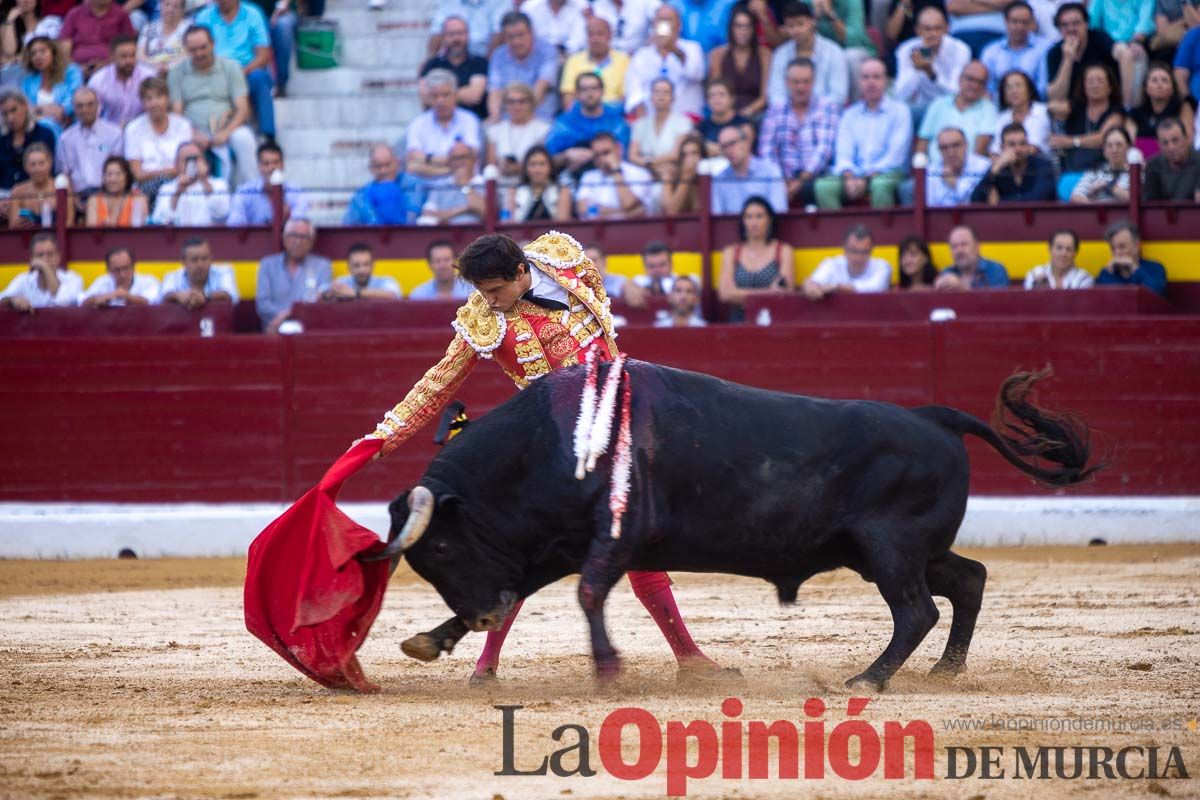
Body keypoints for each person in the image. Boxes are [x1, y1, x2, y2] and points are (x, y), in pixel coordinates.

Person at [285, 230, 726, 687]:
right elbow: (437, 384)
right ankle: (487, 665)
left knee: (636, 544)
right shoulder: (483, 321)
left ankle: (687, 657)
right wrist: (381, 440)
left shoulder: (563, 259)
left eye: (494, 291)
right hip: (555, 450)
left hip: (621, 432)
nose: (489, 302)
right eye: (480, 293)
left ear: (521, 272)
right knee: (527, 552)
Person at [815, 57, 911, 209]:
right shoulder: (849, 114)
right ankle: (838, 233)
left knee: (880, 185)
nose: (871, 82)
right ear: (859, 82)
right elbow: (843, 154)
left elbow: (895, 157)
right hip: (854, 173)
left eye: (876, 77)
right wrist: (849, 176)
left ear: (886, 81)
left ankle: (882, 232)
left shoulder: (900, 111)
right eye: (865, 77)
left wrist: (866, 179)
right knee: (824, 186)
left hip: (888, 172)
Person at [168, 25, 257, 188]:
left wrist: (225, 133)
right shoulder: (176, 73)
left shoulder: (231, 67)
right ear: (186, 49)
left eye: (203, 47)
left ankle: (250, 191)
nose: (199, 54)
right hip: (192, 131)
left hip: (228, 128)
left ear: (213, 44)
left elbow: (243, 108)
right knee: (179, 142)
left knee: (244, 138)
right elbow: (177, 114)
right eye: (193, 50)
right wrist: (193, 133)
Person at [757, 57, 838, 208]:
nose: (801, 87)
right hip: (782, 179)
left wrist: (800, 181)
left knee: (818, 187)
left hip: (817, 176)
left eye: (806, 81)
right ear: (787, 82)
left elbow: (824, 149)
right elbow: (767, 151)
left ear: (813, 82)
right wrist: (781, 180)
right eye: (796, 82)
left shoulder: (827, 107)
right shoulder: (775, 110)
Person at [193, 0, 276, 143]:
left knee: (260, 78)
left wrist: (240, 73)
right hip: (214, 72)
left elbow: (263, 55)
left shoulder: (253, 14)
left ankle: (268, 137)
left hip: (247, 71)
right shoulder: (204, 17)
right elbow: (196, 51)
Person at [1049, 62, 1125, 200]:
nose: (1094, 85)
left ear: (1110, 87)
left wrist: (1071, 141)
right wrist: (1068, 59)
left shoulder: (1116, 112)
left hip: (1102, 173)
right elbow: (1052, 105)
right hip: (1072, 171)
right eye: (1090, 81)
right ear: (1083, 86)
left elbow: (1103, 138)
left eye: (1100, 81)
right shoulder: (1075, 108)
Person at [718, 196, 794, 319]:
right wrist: (768, 293)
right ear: (743, 221)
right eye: (749, 217)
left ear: (769, 220)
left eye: (759, 216)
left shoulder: (783, 250)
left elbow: (784, 294)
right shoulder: (731, 252)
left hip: (773, 321)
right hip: (739, 323)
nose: (754, 222)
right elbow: (725, 294)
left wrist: (740, 295)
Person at [624, 4, 706, 117]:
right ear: (653, 25)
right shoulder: (642, 55)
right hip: (651, 120)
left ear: (679, 25)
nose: (664, 25)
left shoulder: (693, 49)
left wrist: (674, 49)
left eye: (668, 20)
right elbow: (634, 91)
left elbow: (695, 74)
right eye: (660, 20)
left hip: (686, 118)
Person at [404, 69, 483, 184]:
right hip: (428, 190)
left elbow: (471, 156)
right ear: (428, 98)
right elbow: (413, 164)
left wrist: (428, 160)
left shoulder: (469, 120)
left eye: (445, 95)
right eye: (435, 96)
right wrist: (453, 166)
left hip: (465, 185)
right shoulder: (418, 123)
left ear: (455, 95)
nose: (440, 101)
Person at [767, 1, 850, 108]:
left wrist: (809, 111)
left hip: (825, 115)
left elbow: (838, 96)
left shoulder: (833, 52)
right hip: (788, 115)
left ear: (812, 22)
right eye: (790, 26)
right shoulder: (780, 54)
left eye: (800, 24)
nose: (796, 30)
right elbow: (775, 94)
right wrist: (794, 112)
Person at [255, 217, 332, 333]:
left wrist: (288, 314)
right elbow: (262, 305)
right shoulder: (267, 265)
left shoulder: (322, 266)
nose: (298, 242)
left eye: (304, 237)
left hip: (308, 331)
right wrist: (282, 317)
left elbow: (320, 304)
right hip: (274, 331)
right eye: (293, 236)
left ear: (312, 241)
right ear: (284, 239)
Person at [893, 6, 972, 117]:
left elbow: (957, 94)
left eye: (937, 28)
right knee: (900, 112)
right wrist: (916, 70)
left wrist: (931, 73)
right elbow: (900, 95)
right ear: (917, 30)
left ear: (947, 28)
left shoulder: (960, 50)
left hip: (949, 108)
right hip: (918, 108)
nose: (933, 34)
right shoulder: (906, 49)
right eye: (927, 29)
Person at [124, 76, 192, 204]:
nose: (154, 103)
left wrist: (172, 175)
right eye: (148, 98)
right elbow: (137, 174)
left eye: (159, 97)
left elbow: (187, 166)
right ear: (142, 103)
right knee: (164, 188)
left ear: (167, 99)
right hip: (146, 186)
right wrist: (164, 173)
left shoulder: (183, 125)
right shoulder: (133, 129)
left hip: (178, 183)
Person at [544, 72, 630, 172]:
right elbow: (547, 161)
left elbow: (625, 157)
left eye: (594, 88)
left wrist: (594, 156)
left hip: (611, 177)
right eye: (584, 89)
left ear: (602, 91)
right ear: (576, 94)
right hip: (574, 180)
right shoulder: (564, 124)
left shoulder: (617, 121)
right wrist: (566, 155)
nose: (590, 93)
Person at [916, 60, 997, 162]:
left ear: (985, 87)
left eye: (980, 82)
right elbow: (922, 143)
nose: (975, 85)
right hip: (933, 171)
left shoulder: (989, 109)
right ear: (960, 79)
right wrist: (920, 173)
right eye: (970, 79)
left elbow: (980, 151)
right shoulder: (938, 104)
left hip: (969, 173)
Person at [487, 11, 559, 122]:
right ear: (504, 38)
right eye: (510, 37)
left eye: (521, 35)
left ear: (531, 33)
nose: (516, 41)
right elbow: (495, 92)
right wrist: (495, 117)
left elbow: (541, 88)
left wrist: (520, 120)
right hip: (507, 119)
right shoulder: (499, 55)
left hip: (539, 118)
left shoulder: (547, 51)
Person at [1045, 3, 1120, 105]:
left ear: (1086, 24)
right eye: (1065, 25)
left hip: (1105, 103)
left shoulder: (1100, 39)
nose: (1071, 29)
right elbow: (1056, 97)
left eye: (1076, 23)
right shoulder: (1054, 52)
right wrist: (1068, 59)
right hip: (1072, 109)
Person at [55, 87, 123, 197]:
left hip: (108, 194)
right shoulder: (65, 138)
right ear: (74, 108)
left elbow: (118, 170)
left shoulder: (114, 134)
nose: (85, 110)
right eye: (79, 106)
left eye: (90, 104)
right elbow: (64, 175)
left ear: (98, 105)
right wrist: (74, 201)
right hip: (77, 196)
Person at [707, 4, 770, 118]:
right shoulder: (717, 55)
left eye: (747, 26)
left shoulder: (764, 55)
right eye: (738, 26)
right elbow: (715, 91)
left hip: (755, 113)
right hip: (725, 113)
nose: (743, 31)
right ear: (731, 28)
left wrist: (748, 111)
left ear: (753, 29)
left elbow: (764, 96)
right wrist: (730, 115)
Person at [419, 16, 489, 119]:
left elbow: (474, 95)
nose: (456, 39)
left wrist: (439, 95)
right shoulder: (432, 65)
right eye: (451, 34)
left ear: (468, 35)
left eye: (460, 33)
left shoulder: (479, 63)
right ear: (443, 38)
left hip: (474, 123)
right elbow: (425, 96)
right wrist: (462, 94)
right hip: (437, 124)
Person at [574, 131, 655, 219]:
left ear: (619, 149)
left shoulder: (640, 174)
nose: (601, 159)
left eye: (606, 153)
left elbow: (630, 205)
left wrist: (616, 171)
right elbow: (583, 210)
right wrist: (623, 213)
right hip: (596, 230)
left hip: (631, 230)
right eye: (597, 155)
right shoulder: (588, 177)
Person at [1088, 0, 1153, 108]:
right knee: (1126, 53)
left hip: (1135, 40)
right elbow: (1092, 22)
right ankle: (1126, 107)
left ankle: (1131, 107)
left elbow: (1145, 21)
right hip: (1106, 42)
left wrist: (1136, 41)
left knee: (1136, 55)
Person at [971, 122, 1056, 203]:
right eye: (1012, 145)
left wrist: (998, 203)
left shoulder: (1044, 165)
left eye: (1023, 144)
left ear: (1028, 145)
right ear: (1002, 148)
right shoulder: (998, 169)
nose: (1018, 149)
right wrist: (994, 170)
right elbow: (975, 200)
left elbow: (1038, 198)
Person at [149, 141, 231, 225]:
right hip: (178, 236)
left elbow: (222, 215)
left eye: (196, 159)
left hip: (207, 237)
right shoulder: (167, 188)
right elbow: (159, 220)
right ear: (176, 165)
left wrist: (205, 182)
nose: (192, 163)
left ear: (205, 162)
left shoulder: (219, 185)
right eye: (187, 159)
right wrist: (178, 193)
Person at [227, 141, 308, 226]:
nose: (271, 168)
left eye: (276, 163)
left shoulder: (295, 192)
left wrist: (288, 216)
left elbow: (299, 225)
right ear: (259, 167)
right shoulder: (244, 191)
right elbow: (234, 224)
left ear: (283, 165)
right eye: (266, 164)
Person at [802, 223, 891, 299]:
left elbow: (876, 288)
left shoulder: (882, 266)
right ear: (844, 248)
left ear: (872, 250)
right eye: (853, 251)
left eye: (865, 252)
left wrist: (837, 287)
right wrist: (810, 286)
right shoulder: (831, 264)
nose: (858, 257)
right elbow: (814, 283)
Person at [485, 82, 551, 181]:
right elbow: (491, 167)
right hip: (501, 183)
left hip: (530, 184)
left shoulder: (544, 130)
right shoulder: (495, 130)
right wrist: (503, 166)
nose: (516, 106)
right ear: (505, 105)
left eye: (522, 101)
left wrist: (519, 167)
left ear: (531, 103)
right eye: (511, 102)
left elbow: (545, 164)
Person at [979, 1, 1048, 96]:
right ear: (1006, 22)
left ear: (1032, 23)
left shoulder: (1044, 48)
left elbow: (1043, 86)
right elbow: (987, 87)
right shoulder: (991, 51)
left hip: (1034, 105)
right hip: (999, 106)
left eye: (1025, 22)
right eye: (1014, 22)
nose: (1019, 27)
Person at [0, 232, 83, 310]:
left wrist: (45, 268)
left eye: (50, 254)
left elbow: (63, 301)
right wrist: (12, 299)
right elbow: (2, 299)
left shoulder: (73, 279)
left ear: (58, 257)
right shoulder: (23, 280)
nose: (45, 259)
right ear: (32, 259)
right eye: (40, 255)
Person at [559, 15, 629, 108]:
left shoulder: (624, 60)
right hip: (581, 116)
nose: (595, 39)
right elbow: (568, 97)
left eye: (600, 34)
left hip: (613, 117)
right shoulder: (573, 61)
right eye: (591, 34)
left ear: (610, 35)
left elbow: (624, 98)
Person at [628, 77, 694, 175]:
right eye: (657, 92)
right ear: (651, 97)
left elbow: (674, 154)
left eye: (666, 92)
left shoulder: (683, 122)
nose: (661, 96)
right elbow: (632, 155)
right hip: (643, 170)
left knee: (667, 171)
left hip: (672, 171)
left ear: (673, 97)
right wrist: (648, 164)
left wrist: (652, 163)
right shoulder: (640, 124)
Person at [20, 35, 83, 136]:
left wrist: (62, 110)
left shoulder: (71, 71)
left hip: (68, 126)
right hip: (37, 127)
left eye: (43, 51)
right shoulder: (28, 81)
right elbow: (25, 108)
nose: (38, 56)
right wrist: (45, 110)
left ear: (53, 53)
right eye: (33, 54)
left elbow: (75, 97)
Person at [1129, 61, 1195, 155]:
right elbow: (1129, 142)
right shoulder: (1136, 113)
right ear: (1146, 88)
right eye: (1154, 80)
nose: (1159, 85)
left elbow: (1187, 139)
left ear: (1172, 88)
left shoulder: (1183, 106)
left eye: (1164, 80)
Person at [87, 35, 155, 127]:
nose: (129, 61)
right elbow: (93, 116)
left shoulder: (149, 76)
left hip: (142, 131)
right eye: (123, 56)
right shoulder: (98, 81)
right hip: (109, 132)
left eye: (132, 55)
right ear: (112, 57)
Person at [58, 0, 135, 76]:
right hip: (77, 70)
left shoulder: (121, 15)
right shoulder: (74, 14)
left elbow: (129, 48)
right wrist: (77, 68)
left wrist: (105, 65)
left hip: (112, 69)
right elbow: (64, 49)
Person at [159, 237, 239, 308]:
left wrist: (205, 296)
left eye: (204, 259)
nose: (200, 265)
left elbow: (230, 294)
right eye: (194, 260)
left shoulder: (224, 272)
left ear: (211, 258)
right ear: (183, 262)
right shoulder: (172, 276)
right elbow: (163, 296)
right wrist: (179, 296)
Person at [0, 90, 56, 191]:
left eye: (13, 110)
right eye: (5, 114)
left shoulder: (44, 134)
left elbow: (51, 171)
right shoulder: (1, 140)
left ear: (25, 106)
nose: (10, 118)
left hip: (36, 195)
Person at [416, 142, 485, 225]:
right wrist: (465, 209)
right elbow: (427, 214)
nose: (460, 162)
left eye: (463, 157)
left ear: (474, 159)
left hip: (476, 233)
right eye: (455, 158)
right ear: (449, 162)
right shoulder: (440, 185)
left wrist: (465, 186)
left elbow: (486, 212)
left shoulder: (484, 183)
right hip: (445, 233)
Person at [1094, 220, 1167, 295]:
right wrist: (1110, 274)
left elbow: (1157, 294)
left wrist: (1134, 268)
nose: (1117, 252)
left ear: (1137, 246)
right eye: (1113, 248)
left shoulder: (1155, 268)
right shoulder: (1106, 273)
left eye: (1122, 247)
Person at [343, 143, 409, 225]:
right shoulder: (360, 198)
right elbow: (348, 229)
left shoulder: (413, 186)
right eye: (378, 166)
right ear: (370, 168)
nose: (383, 171)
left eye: (387, 165)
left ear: (397, 163)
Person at [922, 126, 990, 205]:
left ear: (966, 145)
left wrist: (956, 184)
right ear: (939, 150)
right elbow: (929, 208)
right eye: (944, 147)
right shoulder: (930, 172)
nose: (951, 153)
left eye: (956, 145)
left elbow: (979, 203)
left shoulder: (983, 167)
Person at [990, 68, 1051, 154]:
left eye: (1018, 86)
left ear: (1029, 90)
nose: (1013, 91)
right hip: (1007, 164)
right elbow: (995, 151)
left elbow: (1032, 150)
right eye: (1008, 87)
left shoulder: (1043, 112)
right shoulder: (1002, 118)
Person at [506, 145, 571, 221]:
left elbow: (563, 224)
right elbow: (509, 223)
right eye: (533, 164)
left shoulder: (562, 191)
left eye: (542, 164)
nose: (537, 170)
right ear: (525, 167)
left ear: (550, 166)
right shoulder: (514, 191)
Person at [934, 224, 1010, 289]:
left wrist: (963, 289)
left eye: (964, 244)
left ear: (977, 247)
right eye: (954, 246)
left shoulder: (995, 270)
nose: (959, 251)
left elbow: (998, 303)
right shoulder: (947, 272)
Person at [80, 245, 161, 305]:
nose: (122, 274)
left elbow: (150, 302)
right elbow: (82, 301)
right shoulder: (102, 282)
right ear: (108, 270)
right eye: (116, 270)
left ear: (133, 267)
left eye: (126, 268)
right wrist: (97, 299)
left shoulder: (148, 281)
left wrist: (125, 295)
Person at [427, 0, 509, 59]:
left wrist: (485, 65)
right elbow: (436, 31)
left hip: (484, 57)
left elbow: (498, 33)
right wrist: (430, 61)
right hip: (452, 58)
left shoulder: (500, 2)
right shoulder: (448, 2)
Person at [1143, 116, 1200, 200]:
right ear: (1159, 145)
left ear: (1186, 139)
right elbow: (1149, 204)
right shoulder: (1153, 165)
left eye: (1175, 140)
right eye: (1165, 143)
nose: (1171, 147)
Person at [1068, 125, 1130, 203]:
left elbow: (1136, 199)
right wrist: (1095, 209)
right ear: (1104, 151)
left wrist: (1109, 186)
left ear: (1128, 148)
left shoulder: (1137, 173)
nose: (1114, 150)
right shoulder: (1094, 171)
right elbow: (1075, 197)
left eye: (1119, 145)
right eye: (1109, 146)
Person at [7, 143, 63, 228]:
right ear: (25, 167)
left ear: (50, 164)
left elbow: (68, 223)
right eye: (32, 164)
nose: (37, 169)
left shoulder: (60, 189)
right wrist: (19, 223)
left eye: (41, 163)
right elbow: (13, 228)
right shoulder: (18, 192)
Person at [324, 243, 401, 301]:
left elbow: (392, 296)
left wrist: (356, 294)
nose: (362, 270)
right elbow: (320, 294)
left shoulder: (386, 280)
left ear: (373, 265)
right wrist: (328, 294)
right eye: (356, 265)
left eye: (366, 264)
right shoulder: (342, 281)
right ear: (348, 267)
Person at [697, 78, 753, 156]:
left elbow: (745, 152)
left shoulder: (743, 124)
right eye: (712, 95)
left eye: (722, 94)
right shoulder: (701, 127)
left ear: (732, 99)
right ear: (707, 101)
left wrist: (711, 147)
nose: (716, 99)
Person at [85, 155, 147, 225]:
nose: (113, 179)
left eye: (118, 174)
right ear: (103, 178)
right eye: (109, 174)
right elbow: (91, 230)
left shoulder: (138, 198)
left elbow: (138, 231)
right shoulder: (94, 200)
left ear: (127, 177)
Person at [1024, 228, 1094, 288]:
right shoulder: (1034, 274)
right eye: (1059, 248)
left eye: (1069, 249)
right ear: (1050, 249)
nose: (1063, 253)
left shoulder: (1084, 278)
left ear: (1075, 253)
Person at [137, 0, 188, 74]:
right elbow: (139, 55)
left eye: (176, 6)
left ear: (182, 10)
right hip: (151, 72)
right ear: (160, 6)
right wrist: (154, 65)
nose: (170, 9)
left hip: (177, 72)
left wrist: (169, 67)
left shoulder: (189, 29)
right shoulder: (148, 28)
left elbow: (188, 56)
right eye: (167, 5)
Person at [521, 0, 587, 55]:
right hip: (537, 60)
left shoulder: (582, 6)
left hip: (571, 58)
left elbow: (579, 42)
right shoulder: (529, 8)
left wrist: (563, 52)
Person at [660, 133, 704, 214]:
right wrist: (686, 176)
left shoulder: (710, 176)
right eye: (684, 155)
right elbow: (670, 212)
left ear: (702, 156)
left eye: (694, 153)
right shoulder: (670, 175)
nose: (690, 159)